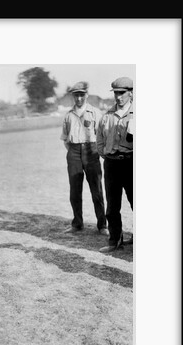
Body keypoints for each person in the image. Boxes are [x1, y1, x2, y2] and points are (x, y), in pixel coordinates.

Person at [60, 81, 108, 235]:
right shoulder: (68, 115)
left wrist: (90, 150)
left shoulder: (95, 112)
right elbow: (65, 139)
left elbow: (102, 136)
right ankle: (77, 223)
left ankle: (102, 225)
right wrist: (76, 150)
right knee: (75, 190)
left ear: (86, 95)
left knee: (96, 190)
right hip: (73, 151)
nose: (79, 98)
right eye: (76, 95)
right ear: (73, 96)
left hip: (91, 150)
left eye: (81, 95)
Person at [97, 77, 134, 253]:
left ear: (131, 93)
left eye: (122, 93)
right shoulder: (107, 116)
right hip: (111, 164)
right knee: (112, 206)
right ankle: (115, 240)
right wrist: (110, 157)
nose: (118, 97)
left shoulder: (136, 115)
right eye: (116, 93)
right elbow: (99, 142)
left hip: (132, 163)